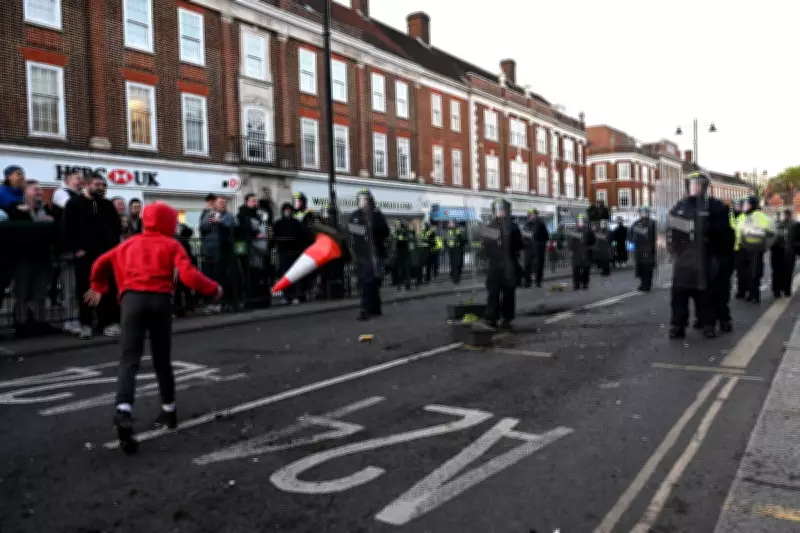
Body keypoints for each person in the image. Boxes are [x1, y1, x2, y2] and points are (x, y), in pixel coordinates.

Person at [84, 202, 222, 454]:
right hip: (160, 301)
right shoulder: (172, 244)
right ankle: (169, 411)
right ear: (167, 222)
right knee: (161, 359)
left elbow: (100, 263)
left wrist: (98, 285)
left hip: (131, 301)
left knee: (129, 359)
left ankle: (123, 410)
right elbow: (189, 276)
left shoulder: (128, 243)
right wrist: (213, 289)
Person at [667, 170, 734, 339]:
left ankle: (708, 324)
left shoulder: (714, 206)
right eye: (691, 184)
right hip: (684, 258)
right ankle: (678, 325)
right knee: (679, 293)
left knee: (706, 293)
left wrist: (709, 236)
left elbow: (724, 232)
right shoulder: (680, 206)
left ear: (705, 187)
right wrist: (672, 246)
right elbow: (671, 230)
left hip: (706, 256)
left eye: (698, 184)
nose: (694, 187)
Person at [64, 174, 122, 339]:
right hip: (85, 256)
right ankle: (86, 323)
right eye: (97, 184)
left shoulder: (107, 205)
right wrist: (76, 249)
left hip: (105, 255)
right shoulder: (74, 203)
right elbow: (67, 227)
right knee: (86, 289)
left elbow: (116, 227)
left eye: (103, 185)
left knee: (108, 289)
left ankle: (107, 323)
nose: (101, 188)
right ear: (87, 185)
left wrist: (114, 249)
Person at [8, 180, 57, 335]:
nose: (39, 192)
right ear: (26, 192)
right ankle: (20, 324)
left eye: (40, 190)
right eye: (35, 189)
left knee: (40, 293)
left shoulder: (46, 210)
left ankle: (40, 322)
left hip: (43, 257)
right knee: (22, 292)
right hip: (23, 258)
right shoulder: (16, 209)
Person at [51, 169, 84, 334]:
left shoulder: (79, 196)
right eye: (77, 178)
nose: (81, 181)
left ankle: (79, 318)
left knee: (79, 287)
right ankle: (70, 321)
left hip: (80, 250)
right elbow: (72, 209)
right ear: (68, 180)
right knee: (69, 288)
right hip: (67, 250)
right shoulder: (61, 193)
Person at [481, 198, 523, 329]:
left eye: (502, 209)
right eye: (498, 210)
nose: (500, 212)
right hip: (494, 265)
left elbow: (519, 245)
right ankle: (491, 317)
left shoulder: (513, 227)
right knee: (493, 292)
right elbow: (485, 247)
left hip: (509, 265)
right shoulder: (489, 227)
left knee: (508, 293)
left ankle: (507, 317)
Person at [348, 188, 389, 321]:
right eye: (361, 200)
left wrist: (374, 227)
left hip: (375, 254)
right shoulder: (355, 215)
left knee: (369, 282)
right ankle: (375, 309)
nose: (363, 202)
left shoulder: (377, 215)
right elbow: (351, 231)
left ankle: (366, 309)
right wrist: (364, 229)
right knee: (368, 282)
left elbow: (385, 232)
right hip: (361, 254)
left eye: (365, 200)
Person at [734, 195, 776, 304]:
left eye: (746, 204)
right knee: (742, 272)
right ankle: (744, 291)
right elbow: (736, 231)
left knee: (754, 272)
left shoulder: (761, 217)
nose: (744, 207)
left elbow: (771, 233)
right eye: (743, 204)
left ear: (752, 205)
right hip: (740, 248)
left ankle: (754, 294)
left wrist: (764, 246)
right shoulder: (741, 217)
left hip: (754, 248)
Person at [199, 196, 236, 312]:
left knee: (223, 277)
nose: (222, 204)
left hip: (223, 250)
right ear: (214, 204)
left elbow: (233, 225)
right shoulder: (209, 214)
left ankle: (224, 303)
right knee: (211, 277)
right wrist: (210, 218)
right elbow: (202, 226)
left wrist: (220, 221)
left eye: (224, 202)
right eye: (220, 202)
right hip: (210, 251)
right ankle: (212, 303)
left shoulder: (228, 215)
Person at [272, 202, 307, 304]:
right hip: (283, 252)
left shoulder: (296, 223)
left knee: (295, 275)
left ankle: (296, 295)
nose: (287, 212)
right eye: (286, 210)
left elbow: (301, 236)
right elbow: (275, 236)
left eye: (289, 210)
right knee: (285, 275)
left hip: (294, 251)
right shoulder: (278, 223)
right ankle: (287, 296)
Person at [771, 207, 800, 298]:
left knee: (788, 271)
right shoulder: (774, 225)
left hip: (789, 252)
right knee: (776, 271)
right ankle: (777, 290)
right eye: (782, 214)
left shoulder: (795, 225)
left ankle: (787, 289)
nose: (784, 216)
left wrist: (795, 247)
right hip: (776, 251)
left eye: (785, 214)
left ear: (789, 215)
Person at [630, 206, 657, 291]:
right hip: (638, 249)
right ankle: (642, 283)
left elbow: (656, 236)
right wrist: (631, 248)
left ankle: (647, 284)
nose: (644, 214)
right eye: (642, 212)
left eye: (645, 212)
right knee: (640, 267)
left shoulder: (653, 223)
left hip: (648, 249)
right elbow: (631, 236)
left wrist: (655, 247)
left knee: (647, 267)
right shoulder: (635, 223)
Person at [521, 208, 549, 288]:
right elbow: (523, 237)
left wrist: (541, 244)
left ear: (536, 215)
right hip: (528, 249)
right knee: (527, 265)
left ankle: (538, 282)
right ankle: (527, 282)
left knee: (539, 265)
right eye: (531, 214)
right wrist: (524, 243)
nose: (532, 216)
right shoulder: (526, 225)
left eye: (534, 214)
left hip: (538, 249)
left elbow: (546, 237)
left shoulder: (541, 224)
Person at [568, 214, 595, 290]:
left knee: (585, 269)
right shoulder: (573, 230)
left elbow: (592, 241)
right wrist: (571, 249)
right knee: (576, 270)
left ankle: (584, 284)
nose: (580, 222)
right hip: (576, 253)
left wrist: (590, 248)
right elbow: (570, 241)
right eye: (579, 220)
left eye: (581, 220)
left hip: (586, 253)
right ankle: (577, 284)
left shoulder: (589, 230)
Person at [392, 220, 412, 290]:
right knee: (405, 271)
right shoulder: (406, 233)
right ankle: (406, 285)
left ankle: (400, 286)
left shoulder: (401, 233)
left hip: (401, 254)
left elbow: (399, 242)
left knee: (401, 270)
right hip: (404, 254)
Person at [445, 220, 467, 285]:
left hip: (457, 249)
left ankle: (454, 276)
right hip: (453, 250)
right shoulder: (448, 231)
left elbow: (462, 239)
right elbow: (445, 240)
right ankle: (456, 278)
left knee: (457, 264)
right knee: (455, 264)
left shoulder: (457, 230)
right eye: (450, 223)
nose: (450, 224)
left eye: (451, 223)